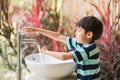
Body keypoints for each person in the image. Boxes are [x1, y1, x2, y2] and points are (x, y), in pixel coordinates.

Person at [23, 16, 103, 80]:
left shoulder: (89, 50)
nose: (75, 33)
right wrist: (37, 30)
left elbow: (64, 57)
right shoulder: (81, 43)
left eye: (79, 31)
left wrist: (46, 52)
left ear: (89, 34)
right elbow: (58, 36)